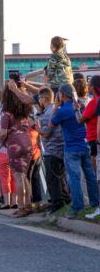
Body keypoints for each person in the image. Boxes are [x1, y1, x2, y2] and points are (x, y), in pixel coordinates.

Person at [50, 83, 100, 219]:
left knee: (74, 178)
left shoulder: (62, 111)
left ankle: (78, 207)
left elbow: (50, 124)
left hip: (71, 148)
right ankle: (95, 203)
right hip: (86, 146)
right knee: (91, 177)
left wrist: (55, 108)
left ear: (61, 95)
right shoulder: (82, 105)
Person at [0, 82, 35, 218]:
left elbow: (2, 134)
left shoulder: (6, 115)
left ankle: (21, 208)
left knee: (18, 177)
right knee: (24, 176)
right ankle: (28, 205)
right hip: (27, 143)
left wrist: (2, 142)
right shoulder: (24, 115)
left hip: (15, 146)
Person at [37, 88, 70, 214]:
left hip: (52, 149)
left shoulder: (49, 112)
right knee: (60, 177)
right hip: (61, 148)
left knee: (52, 179)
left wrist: (34, 127)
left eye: (39, 98)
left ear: (44, 98)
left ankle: (57, 204)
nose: (38, 101)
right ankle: (65, 200)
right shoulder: (53, 110)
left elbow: (46, 132)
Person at [77, 75, 100, 175]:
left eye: (89, 85)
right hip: (96, 137)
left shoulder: (94, 101)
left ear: (94, 87)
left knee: (96, 173)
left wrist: (76, 110)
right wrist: (84, 108)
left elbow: (81, 120)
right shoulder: (95, 101)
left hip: (94, 138)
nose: (88, 87)